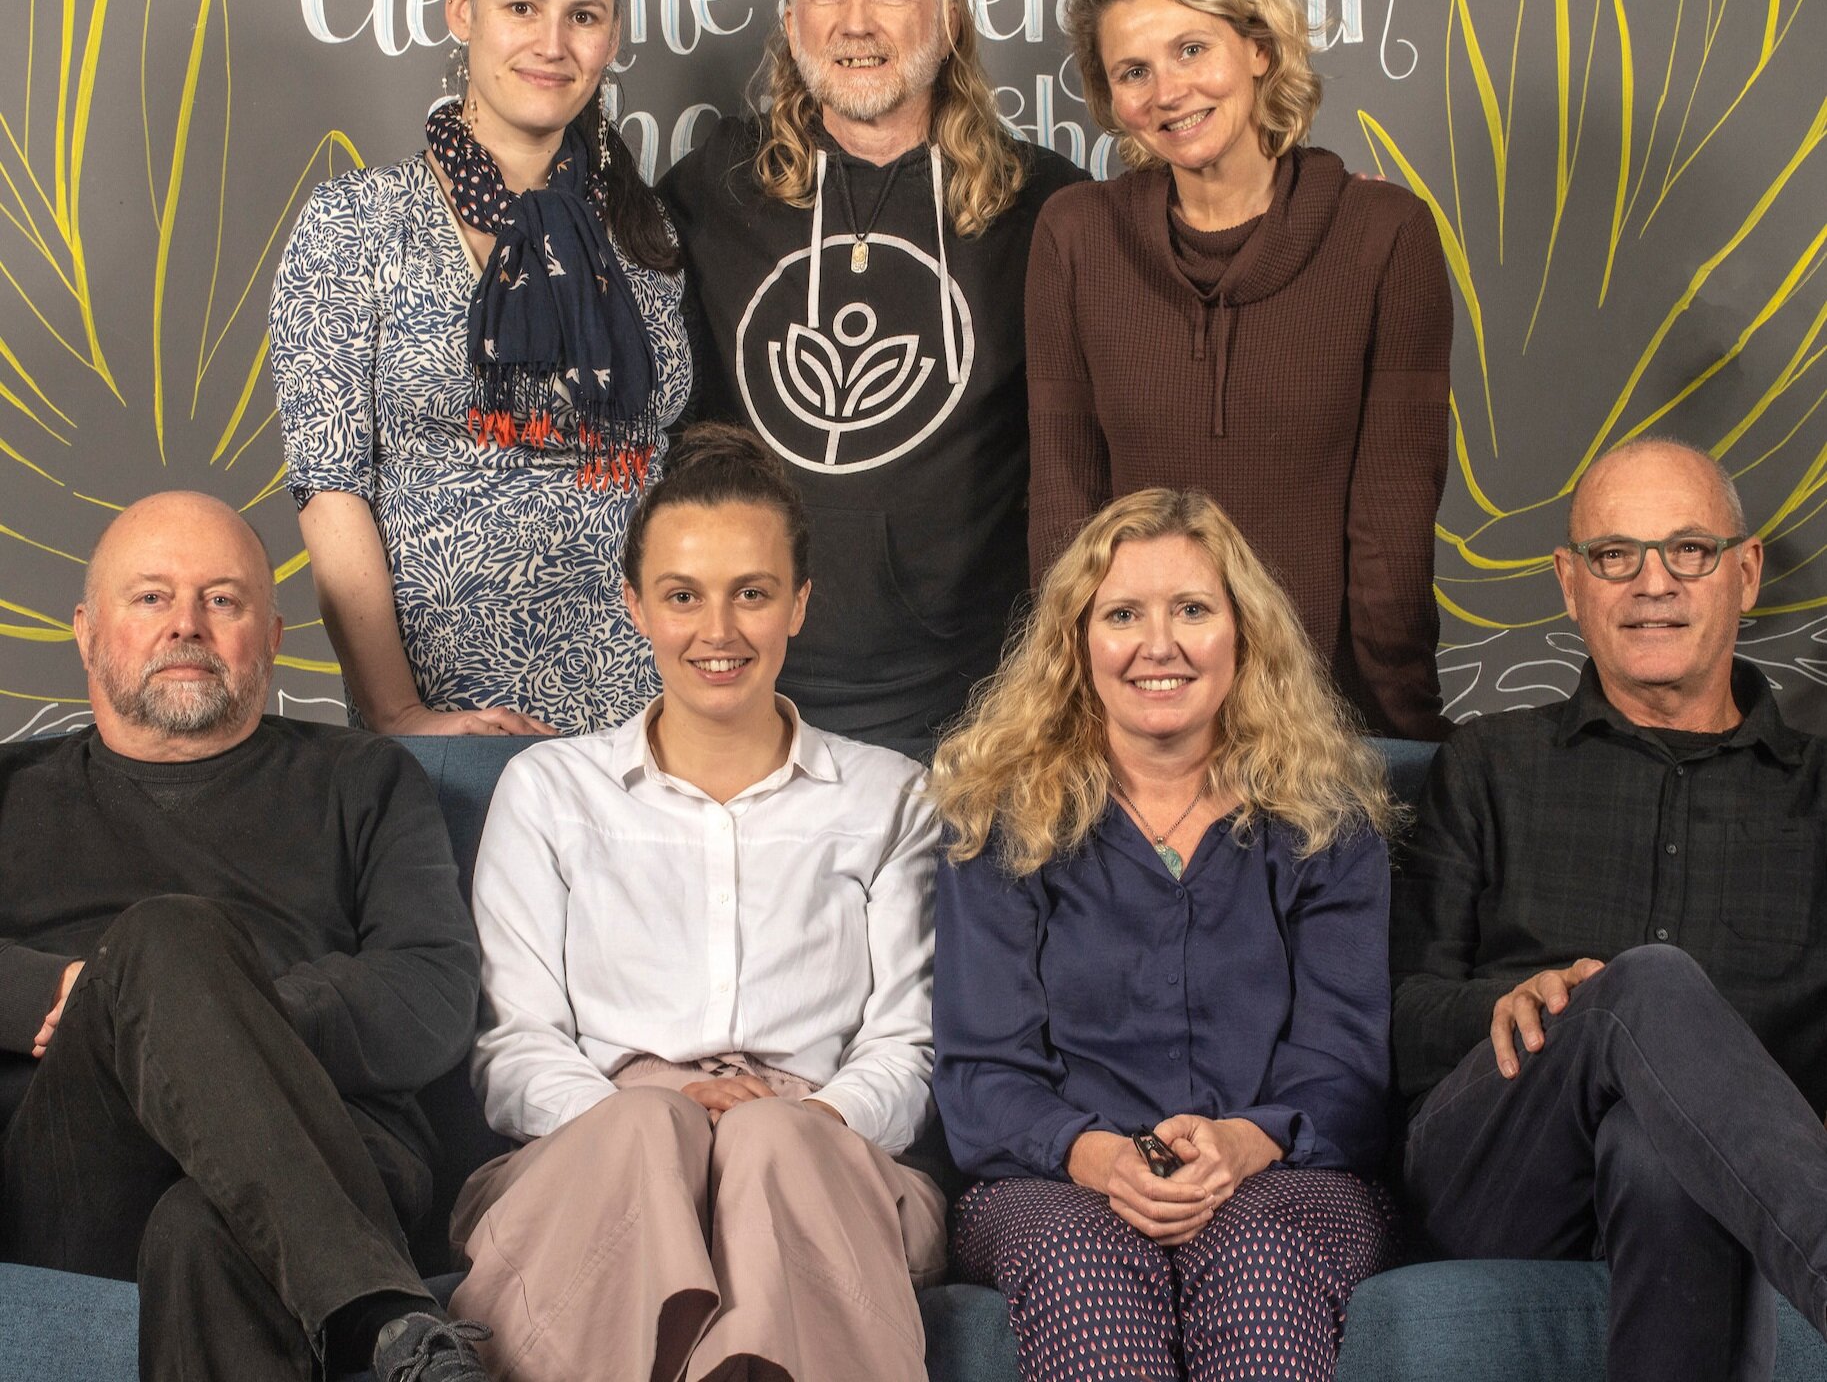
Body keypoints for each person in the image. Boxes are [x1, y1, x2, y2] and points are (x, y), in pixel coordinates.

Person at [448, 423, 946, 1382]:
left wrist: (804, 1123)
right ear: (636, 605)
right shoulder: (548, 790)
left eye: (750, 594)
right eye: (683, 597)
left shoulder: (889, 797)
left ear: (797, 603)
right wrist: (668, 1112)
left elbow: (908, 1045)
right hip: (601, 1148)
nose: (717, 634)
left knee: (771, 1145)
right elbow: (516, 1046)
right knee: (648, 1131)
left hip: (824, 1156)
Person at [0, 492, 489, 1382]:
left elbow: (430, 993)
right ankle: (381, 1314)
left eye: (222, 601)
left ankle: (362, 1305)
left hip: (334, 1146)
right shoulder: (9, 788)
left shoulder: (363, 779)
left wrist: (193, 1018)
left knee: (204, 1227)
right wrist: (84, 1002)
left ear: (270, 635)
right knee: (161, 943)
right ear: (83, 629)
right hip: (75, 1170)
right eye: (150, 597)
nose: (186, 624)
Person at [931, 487, 1400, 1382]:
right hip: (1051, 1184)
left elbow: (1346, 1061)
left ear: (1242, 634)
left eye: (1191, 609)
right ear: (1077, 643)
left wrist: (1243, 1143)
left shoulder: (1325, 821)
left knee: (1258, 1248)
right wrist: (1100, 1159)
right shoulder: (998, 818)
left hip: (1285, 1179)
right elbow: (982, 1071)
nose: (1159, 645)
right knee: (1082, 1259)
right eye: (1122, 615)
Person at [1393, 437, 1827, 1379]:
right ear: (1569, 581)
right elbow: (1389, 1016)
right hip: (1496, 1170)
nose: (1651, 583)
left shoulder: (1819, 796)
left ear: (1744, 572)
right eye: (1614, 555)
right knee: (1648, 985)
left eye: (1688, 551)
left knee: (1658, 1143)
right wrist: (1498, 1006)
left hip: (1719, 1178)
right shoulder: (1487, 764)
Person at [661, 0, 1086, 758]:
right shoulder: (709, 190)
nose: (856, 23)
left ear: (950, 17)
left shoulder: (1046, 204)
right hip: (758, 690)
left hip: (980, 702)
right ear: (789, 19)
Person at [270, 0, 691, 738]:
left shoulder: (645, 237)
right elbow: (330, 486)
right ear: (462, 11)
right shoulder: (357, 221)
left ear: (609, 40)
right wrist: (401, 713)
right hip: (448, 715)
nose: (551, 44)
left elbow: (674, 470)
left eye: (583, 17)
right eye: (521, 7)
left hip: (647, 713)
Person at [1028, 0, 1454, 741]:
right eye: (1133, 72)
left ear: (1258, 50)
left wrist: (1398, 730)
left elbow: (1394, 516)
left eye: (1191, 48)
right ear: (1109, 97)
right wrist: (1073, 706)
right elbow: (1063, 500)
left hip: (1323, 711)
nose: (1167, 91)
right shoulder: (1074, 235)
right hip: (1136, 709)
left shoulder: (1385, 234)